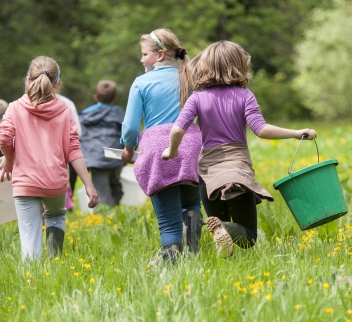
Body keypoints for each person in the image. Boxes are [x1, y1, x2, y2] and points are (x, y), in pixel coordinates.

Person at [162, 40, 317, 256]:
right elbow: (261, 130)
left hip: (208, 172)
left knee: (220, 227)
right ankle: (224, 229)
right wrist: (296, 132)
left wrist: (171, 151)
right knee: (248, 236)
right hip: (237, 170)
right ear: (238, 66)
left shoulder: (197, 97)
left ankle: (219, 232)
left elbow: (177, 129)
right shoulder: (244, 96)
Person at [0, 56, 98, 261]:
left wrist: (9, 158)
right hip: (55, 181)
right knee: (56, 216)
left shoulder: (15, 107)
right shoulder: (65, 110)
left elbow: (4, 137)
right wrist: (88, 184)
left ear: (27, 80)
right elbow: (73, 150)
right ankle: (54, 262)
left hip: (25, 181)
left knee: (30, 231)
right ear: (57, 83)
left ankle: (32, 278)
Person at [121, 29, 202, 262]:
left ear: (159, 55)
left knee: (168, 221)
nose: (141, 59)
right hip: (191, 145)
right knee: (191, 203)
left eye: (144, 54)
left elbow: (129, 127)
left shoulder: (141, 82)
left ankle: (172, 264)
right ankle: (193, 257)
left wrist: (128, 150)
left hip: (158, 149)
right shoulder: (190, 77)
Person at [80, 80, 125, 206]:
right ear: (114, 98)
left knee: (102, 193)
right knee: (116, 187)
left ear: (95, 97)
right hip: (116, 155)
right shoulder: (119, 112)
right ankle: (114, 217)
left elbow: (78, 137)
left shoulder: (85, 115)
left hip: (95, 158)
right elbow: (129, 133)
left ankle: (108, 219)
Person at [55, 82, 82, 210]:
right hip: (62, 156)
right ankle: (66, 205)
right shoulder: (67, 103)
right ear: (57, 83)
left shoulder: (21, 104)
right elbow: (77, 133)